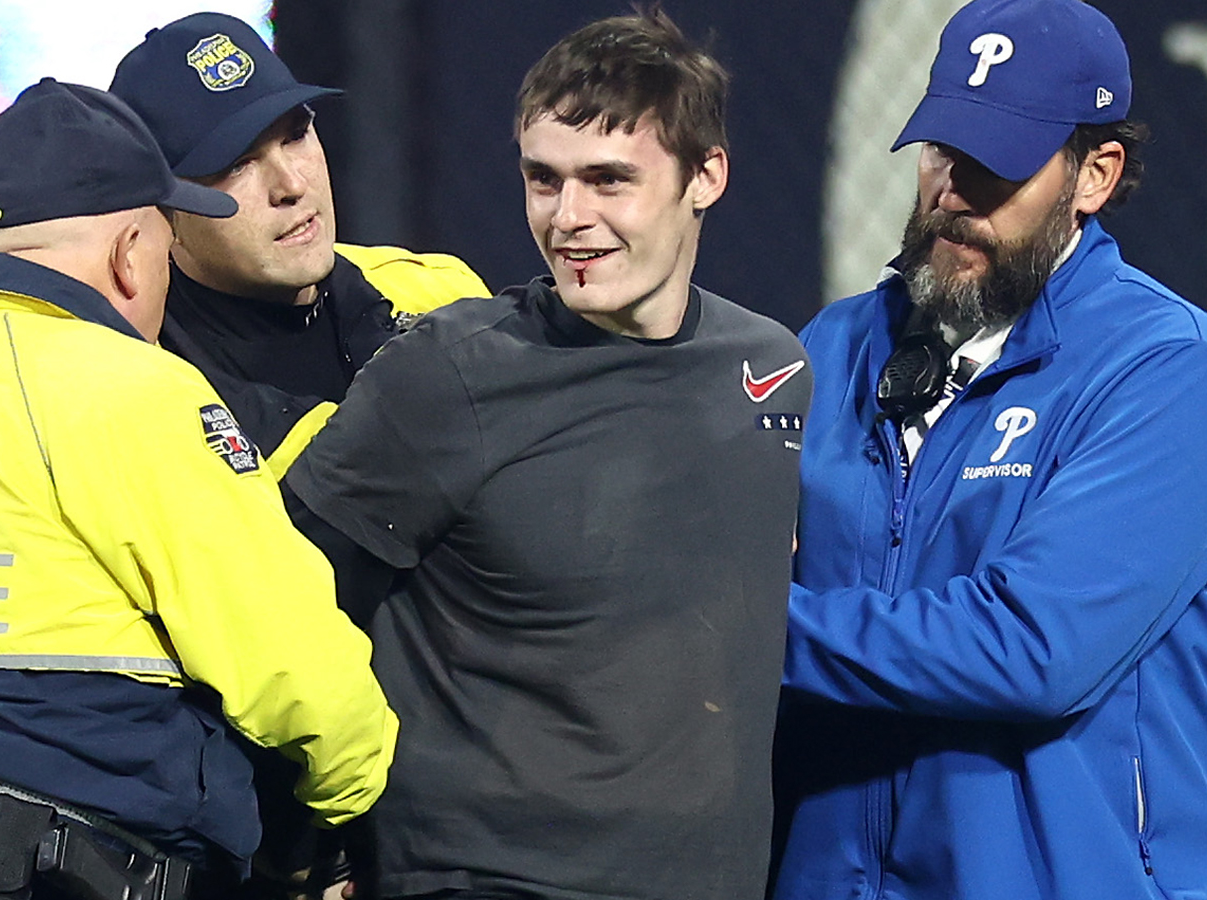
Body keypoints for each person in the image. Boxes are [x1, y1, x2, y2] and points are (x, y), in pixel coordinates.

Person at [0, 79, 396, 899]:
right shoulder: (132, 389)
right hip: (58, 871)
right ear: (128, 253)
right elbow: (294, 665)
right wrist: (363, 820)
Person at [279, 10, 810, 900]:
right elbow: (282, 605)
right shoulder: (448, 375)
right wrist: (314, 847)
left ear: (705, 176)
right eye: (543, 179)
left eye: (609, 180)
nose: (570, 218)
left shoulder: (771, 367)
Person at [769, 1, 1207, 899]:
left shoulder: (1161, 369)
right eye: (943, 149)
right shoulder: (834, 350)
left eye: (1000, 162)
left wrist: (741, 622)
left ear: (1094, 174)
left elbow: (1030, 649)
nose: (955, 190)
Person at [108, 12, 489, 470]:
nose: (291, 184)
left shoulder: (440, 294)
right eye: (236, 164)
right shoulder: (137, 389)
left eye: (296, 135)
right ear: (161, 210)